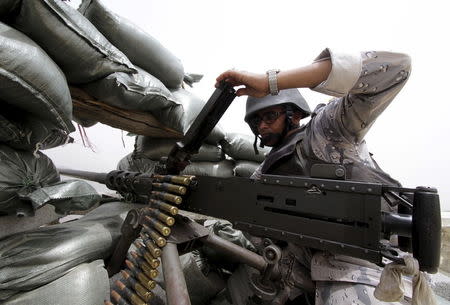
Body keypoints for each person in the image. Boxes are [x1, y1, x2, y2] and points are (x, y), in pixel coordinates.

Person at [216, 49, 413, 305]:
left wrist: (269, 83)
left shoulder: (328, 130)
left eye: (269, 116)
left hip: (371, 266)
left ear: (295, 115)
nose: (261, 126)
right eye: (255, 123)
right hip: (310, 271)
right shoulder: (264, 173)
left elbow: (396, 68)